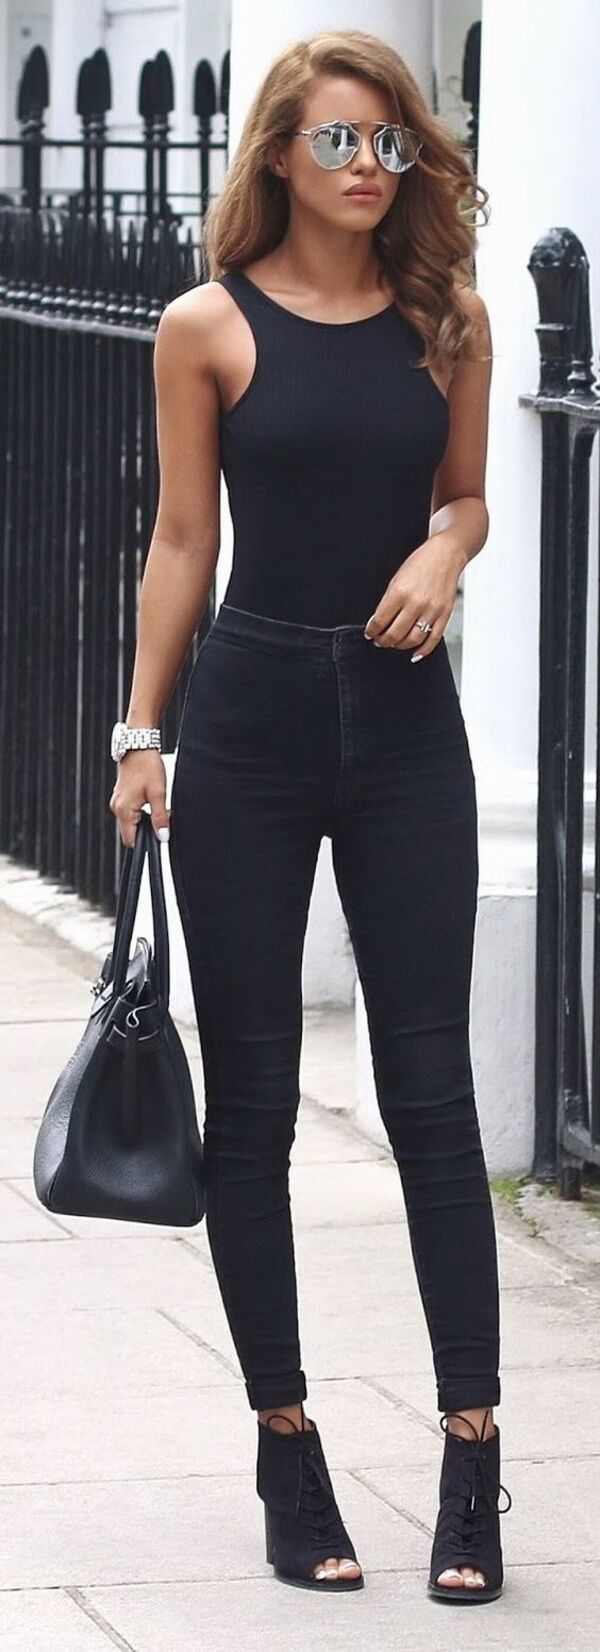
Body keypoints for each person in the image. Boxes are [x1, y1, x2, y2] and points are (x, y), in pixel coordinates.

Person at [110, 26, 513, 1604]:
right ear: (280, 151)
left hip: (409, 729)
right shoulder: (205, 325)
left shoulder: (447, 317)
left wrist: (446, 548)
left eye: (390, 143)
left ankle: (471, 1456)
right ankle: (288, 1447)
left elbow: (467, 495)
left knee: (432, 1096)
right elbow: (182, 539)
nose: (367, 167)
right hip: (253, 723)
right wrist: (141, 734)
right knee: (257, 1108)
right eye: (338, 140)